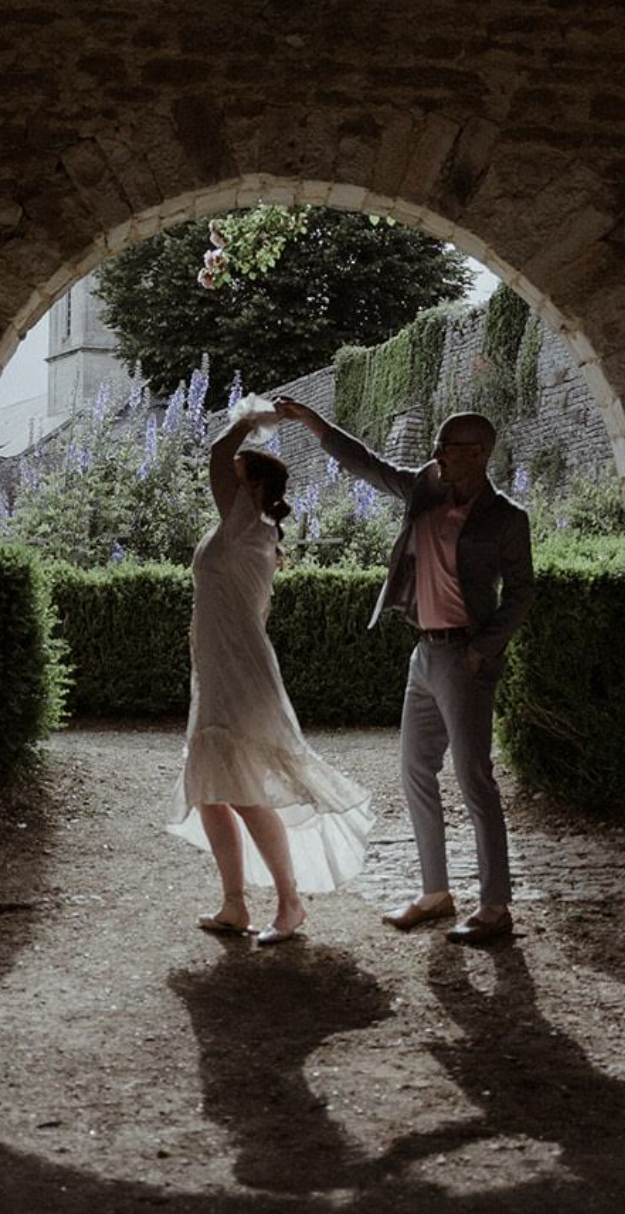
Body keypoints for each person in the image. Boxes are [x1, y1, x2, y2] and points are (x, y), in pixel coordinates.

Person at [275, 399, 534, 946]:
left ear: (479, 454)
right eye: (437, 446)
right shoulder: (425, 488)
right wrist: (311, 421)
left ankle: (495, 905)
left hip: (465, 658)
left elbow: (522, 594)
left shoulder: (507, 519)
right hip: (424, 653)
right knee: (415, 772)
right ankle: (435, 893)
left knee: (474, 780)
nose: (435, 453)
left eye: (447, 447)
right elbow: (365, 463)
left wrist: (481, 650)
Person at [167, 404, 373, 946]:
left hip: (239, 672)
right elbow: (221, 462)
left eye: (236, 480)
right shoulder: (243, 528)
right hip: (216, 669)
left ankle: (290, 902)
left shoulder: (247, 526)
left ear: (252, 489)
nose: (224, 483)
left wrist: (250, 418)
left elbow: (216, 453)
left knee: (244, 790)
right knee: (210, 789)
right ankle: (234, 903)